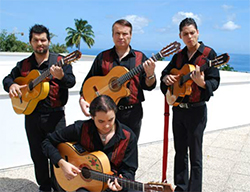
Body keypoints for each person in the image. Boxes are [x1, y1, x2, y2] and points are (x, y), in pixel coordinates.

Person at [2, 24, 76, 192]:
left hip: (55, 117)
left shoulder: (60, 61)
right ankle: (44, 187)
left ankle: (59, 187)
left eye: (43, 39)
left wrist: (61, 76)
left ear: (49, 41)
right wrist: (11, 85)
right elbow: (7, 79)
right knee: (37, 155)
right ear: (30, 42)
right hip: (32, 116)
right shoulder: (24, 65)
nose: (40, 43)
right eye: (36, 40)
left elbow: (71, 82)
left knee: (58, 154)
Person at [160, 18, 220, 192]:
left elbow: (214, 81)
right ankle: (181, 187)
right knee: (180, 152)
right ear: (180, 36)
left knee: (195, 155)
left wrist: (202, 84)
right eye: (185, 34)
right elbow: (165, 74)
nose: (189, 36)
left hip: (197, 110)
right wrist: (166, 78)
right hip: (178, 110)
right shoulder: (178, 57)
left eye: (192, 33)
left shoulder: (209, 54)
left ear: (198, 33)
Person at [79, 19, 156, 140]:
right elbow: (89, 82)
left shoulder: (140, 58)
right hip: (106, 114)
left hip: (132, 113)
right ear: (112, 35)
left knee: (129, 150)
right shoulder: (102, 57)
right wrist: (83, 99)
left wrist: (150, 75)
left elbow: (149, 86)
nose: (121, 37)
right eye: (117, 33)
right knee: (106, 151)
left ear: (130, 35)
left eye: (125, 34)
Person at [42, 95, 138, 192]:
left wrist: (121, 185)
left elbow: (129, 170)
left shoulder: (128, 137)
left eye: (110, 119)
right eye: (101, 121)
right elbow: (47, 142)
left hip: (111, 185)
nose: (107, 125)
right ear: (92, 117)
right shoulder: (81, 129)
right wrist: (61, 163)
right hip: (85, 186)